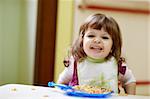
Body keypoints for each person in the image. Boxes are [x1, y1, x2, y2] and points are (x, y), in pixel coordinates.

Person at [57, 13, 136, 95]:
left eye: (104, 37)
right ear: (82, 40)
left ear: (113, 45)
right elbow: (61, 82)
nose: (97, 40)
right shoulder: (75, 63)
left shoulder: (117, 65)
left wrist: (131, 97)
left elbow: (130, 81)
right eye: (91, 35)